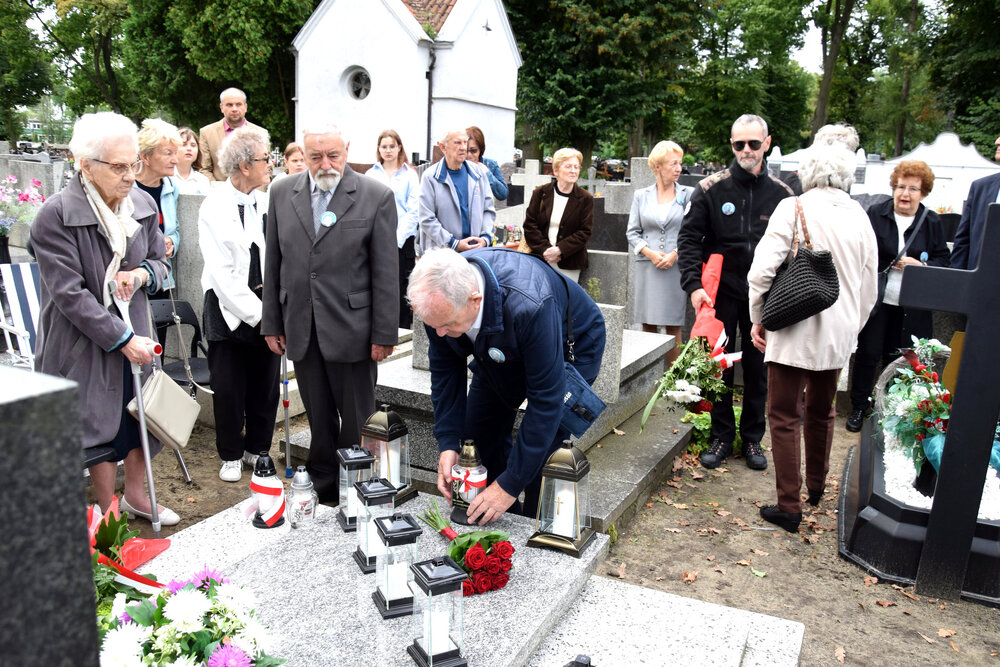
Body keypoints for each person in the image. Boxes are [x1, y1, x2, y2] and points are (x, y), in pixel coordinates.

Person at [32, 112, 178, 525]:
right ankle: (106, 506)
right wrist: (121, 338)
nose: (130, 175)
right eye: (118, 166)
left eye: (134, 163)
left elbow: (160, 263)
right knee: (99, 422)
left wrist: (143, 273)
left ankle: (136, 494)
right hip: (80, 341)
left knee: (138, 416)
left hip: (136, 330)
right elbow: (70, 295)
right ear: (85, 164)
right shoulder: (56, 215)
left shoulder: (143, 205)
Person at [407, 247, 606, 523]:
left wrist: (510, 485)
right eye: (434, 326)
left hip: (571, 341)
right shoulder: (440, 306)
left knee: (544, 452)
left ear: (475, 300)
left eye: (446, 326)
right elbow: (444, 371)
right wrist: (448, 442)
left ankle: (538, 527)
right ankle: (499, 519)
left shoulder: (530, 304)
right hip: (499, 344)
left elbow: (546, 400)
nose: (439, 333)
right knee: (477, 438)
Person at [748, 131, 878, 532]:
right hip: (839, 334)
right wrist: (852, 328)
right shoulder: (860, 215)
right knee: (823, 411)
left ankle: (789, 504)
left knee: (784, 414)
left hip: (793, 324)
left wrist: (759, 316)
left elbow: (762, 270)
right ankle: (818, 488)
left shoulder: (794, 206)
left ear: (807, 172)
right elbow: (870, 284)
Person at [261, 124, 398, 503]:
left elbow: (386, 271)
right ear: (302, 155)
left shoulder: (376, 196)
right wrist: (272, 321)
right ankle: (322, 487)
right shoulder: (280, 192)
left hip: (353, 329)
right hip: (300, 327)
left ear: (347, 150)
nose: (325, 164)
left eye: (333, 155)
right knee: (318, 417)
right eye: (315, 156)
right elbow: (274, 260)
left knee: (356, 419)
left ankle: (356, 487)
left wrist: (384, 333)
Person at [677, 114, 794, 471]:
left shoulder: (783, 194)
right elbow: (688, 240)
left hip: (764, 295)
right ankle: (721, 434)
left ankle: (753, 440)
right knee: (718, 366)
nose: (746, 150)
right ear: (731, 145)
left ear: (767, 143)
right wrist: (694, 287)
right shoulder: (712, 189)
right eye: (738, 143)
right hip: (721, 292)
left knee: (758, 368)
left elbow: (794, 249)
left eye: (753, 143)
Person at [198, 127, 280, 482]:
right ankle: (231, 452)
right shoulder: (213, 205)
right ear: (245, 165)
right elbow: (222, 274)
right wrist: (263, 317)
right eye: (265, 159)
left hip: (266, 302)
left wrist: (274, 313)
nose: (270, 164)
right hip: (225, 307)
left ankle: (258, 448)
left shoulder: (266, 200)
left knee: (265, 384)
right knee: (229, 386)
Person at [845, 161, 951, 432]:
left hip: (912, 305)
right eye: (901, 187)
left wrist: (921, 266)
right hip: (878, 299)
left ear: (923, 193)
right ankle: (859, 407)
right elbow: (861, 250)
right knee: (868, 354)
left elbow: (943, 259)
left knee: (903, 358)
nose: (905, 194)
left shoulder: (932, 221)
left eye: (913, 189)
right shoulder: (876, 213)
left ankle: (893, 412)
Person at [626, 140, 695, 363]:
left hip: (676, 266)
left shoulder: (689, 194)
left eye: (680, 164)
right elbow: (632, 233)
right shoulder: (641, 196)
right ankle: (648, 379)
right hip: (648, 266)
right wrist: (651, 254)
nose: (678, 168)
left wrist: (675, 254)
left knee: (674, 325)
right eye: (673, 163)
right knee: (648, 324)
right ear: (657, 167)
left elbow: (694, 231)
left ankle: (673, 382)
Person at [366, 129, 420, 328]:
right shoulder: (371, 174)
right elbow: (367, 207)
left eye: (392, 146)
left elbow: (413, 210)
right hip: (377, 240)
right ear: (379, 149)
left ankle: (402, 330)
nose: (388, 150)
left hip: (402, 242)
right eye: (384, 147)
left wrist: (395, 239)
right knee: (378, 286)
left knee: (400, 288)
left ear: (399, 148)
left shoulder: (409, 175)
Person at [521, 147, 594, 283]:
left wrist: (560, 250)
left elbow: (584, 231)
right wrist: (546, 250)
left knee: (565, 301)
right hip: (540, 259)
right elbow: (530, 225)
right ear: (556, 170)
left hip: (569, 262)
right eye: (568, 167)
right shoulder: (541, 193)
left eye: (576, 167)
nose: (573, 171)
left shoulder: (585, 199)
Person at [418, 128, 496, 254]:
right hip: (441, 254)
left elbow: (488, 210)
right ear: (443, 147)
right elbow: (426, 219)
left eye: (465, 142)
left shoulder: (478, 173)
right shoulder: (430, 177)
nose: (463, 147)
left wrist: (485, 238)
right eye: (457, 143)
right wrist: (454, 243)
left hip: (474, 252)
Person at [134, 119, 182, 292]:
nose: (175, 160)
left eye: (176, 153)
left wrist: (171, 243)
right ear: (145, 156)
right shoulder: (127, 188)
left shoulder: (171, 187)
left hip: (162, 280)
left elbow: (174, 230)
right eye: (168, 153)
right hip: (133, 280)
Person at [951, 134, 1000, 271]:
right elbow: (963, 242)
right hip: (980, 285)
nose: (997, 142)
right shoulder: (980, 188)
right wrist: (959, 282)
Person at [199, 88, 265, 182]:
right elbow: (204, 169)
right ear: (221, 107)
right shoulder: (207, 133)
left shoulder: (261, 133)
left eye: (238, 104)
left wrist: (257, 192)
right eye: (229, 105)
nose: (234, 109)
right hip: (220, 192)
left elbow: (265, 168)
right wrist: (219, 190)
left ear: (245, 107)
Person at [466, 125, 509, 201]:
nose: (469, 155)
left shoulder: (490, 164)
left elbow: (503, 194)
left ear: (480, 150)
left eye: (473, 151)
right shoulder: (457, 165)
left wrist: (487, 174)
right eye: (465, 150)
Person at [174, 127, 211, 195]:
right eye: (184, 144)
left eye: (193, 145)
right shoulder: (166, 178)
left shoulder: (202, 180)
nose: (189, 149)